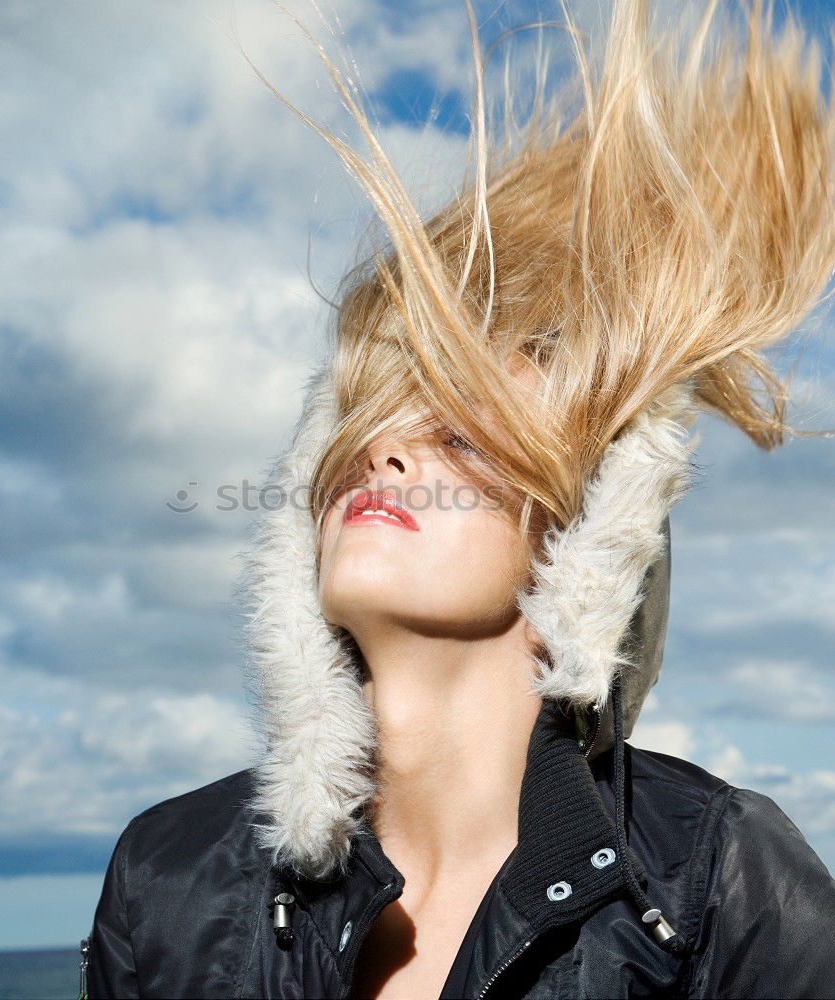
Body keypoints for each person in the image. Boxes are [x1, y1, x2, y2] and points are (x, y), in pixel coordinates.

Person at [82, 0, 835, 996]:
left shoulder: (719, 879)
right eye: (364, 422)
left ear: (583, 543)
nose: (381, 455)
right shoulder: (167, 876)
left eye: (460, 436)